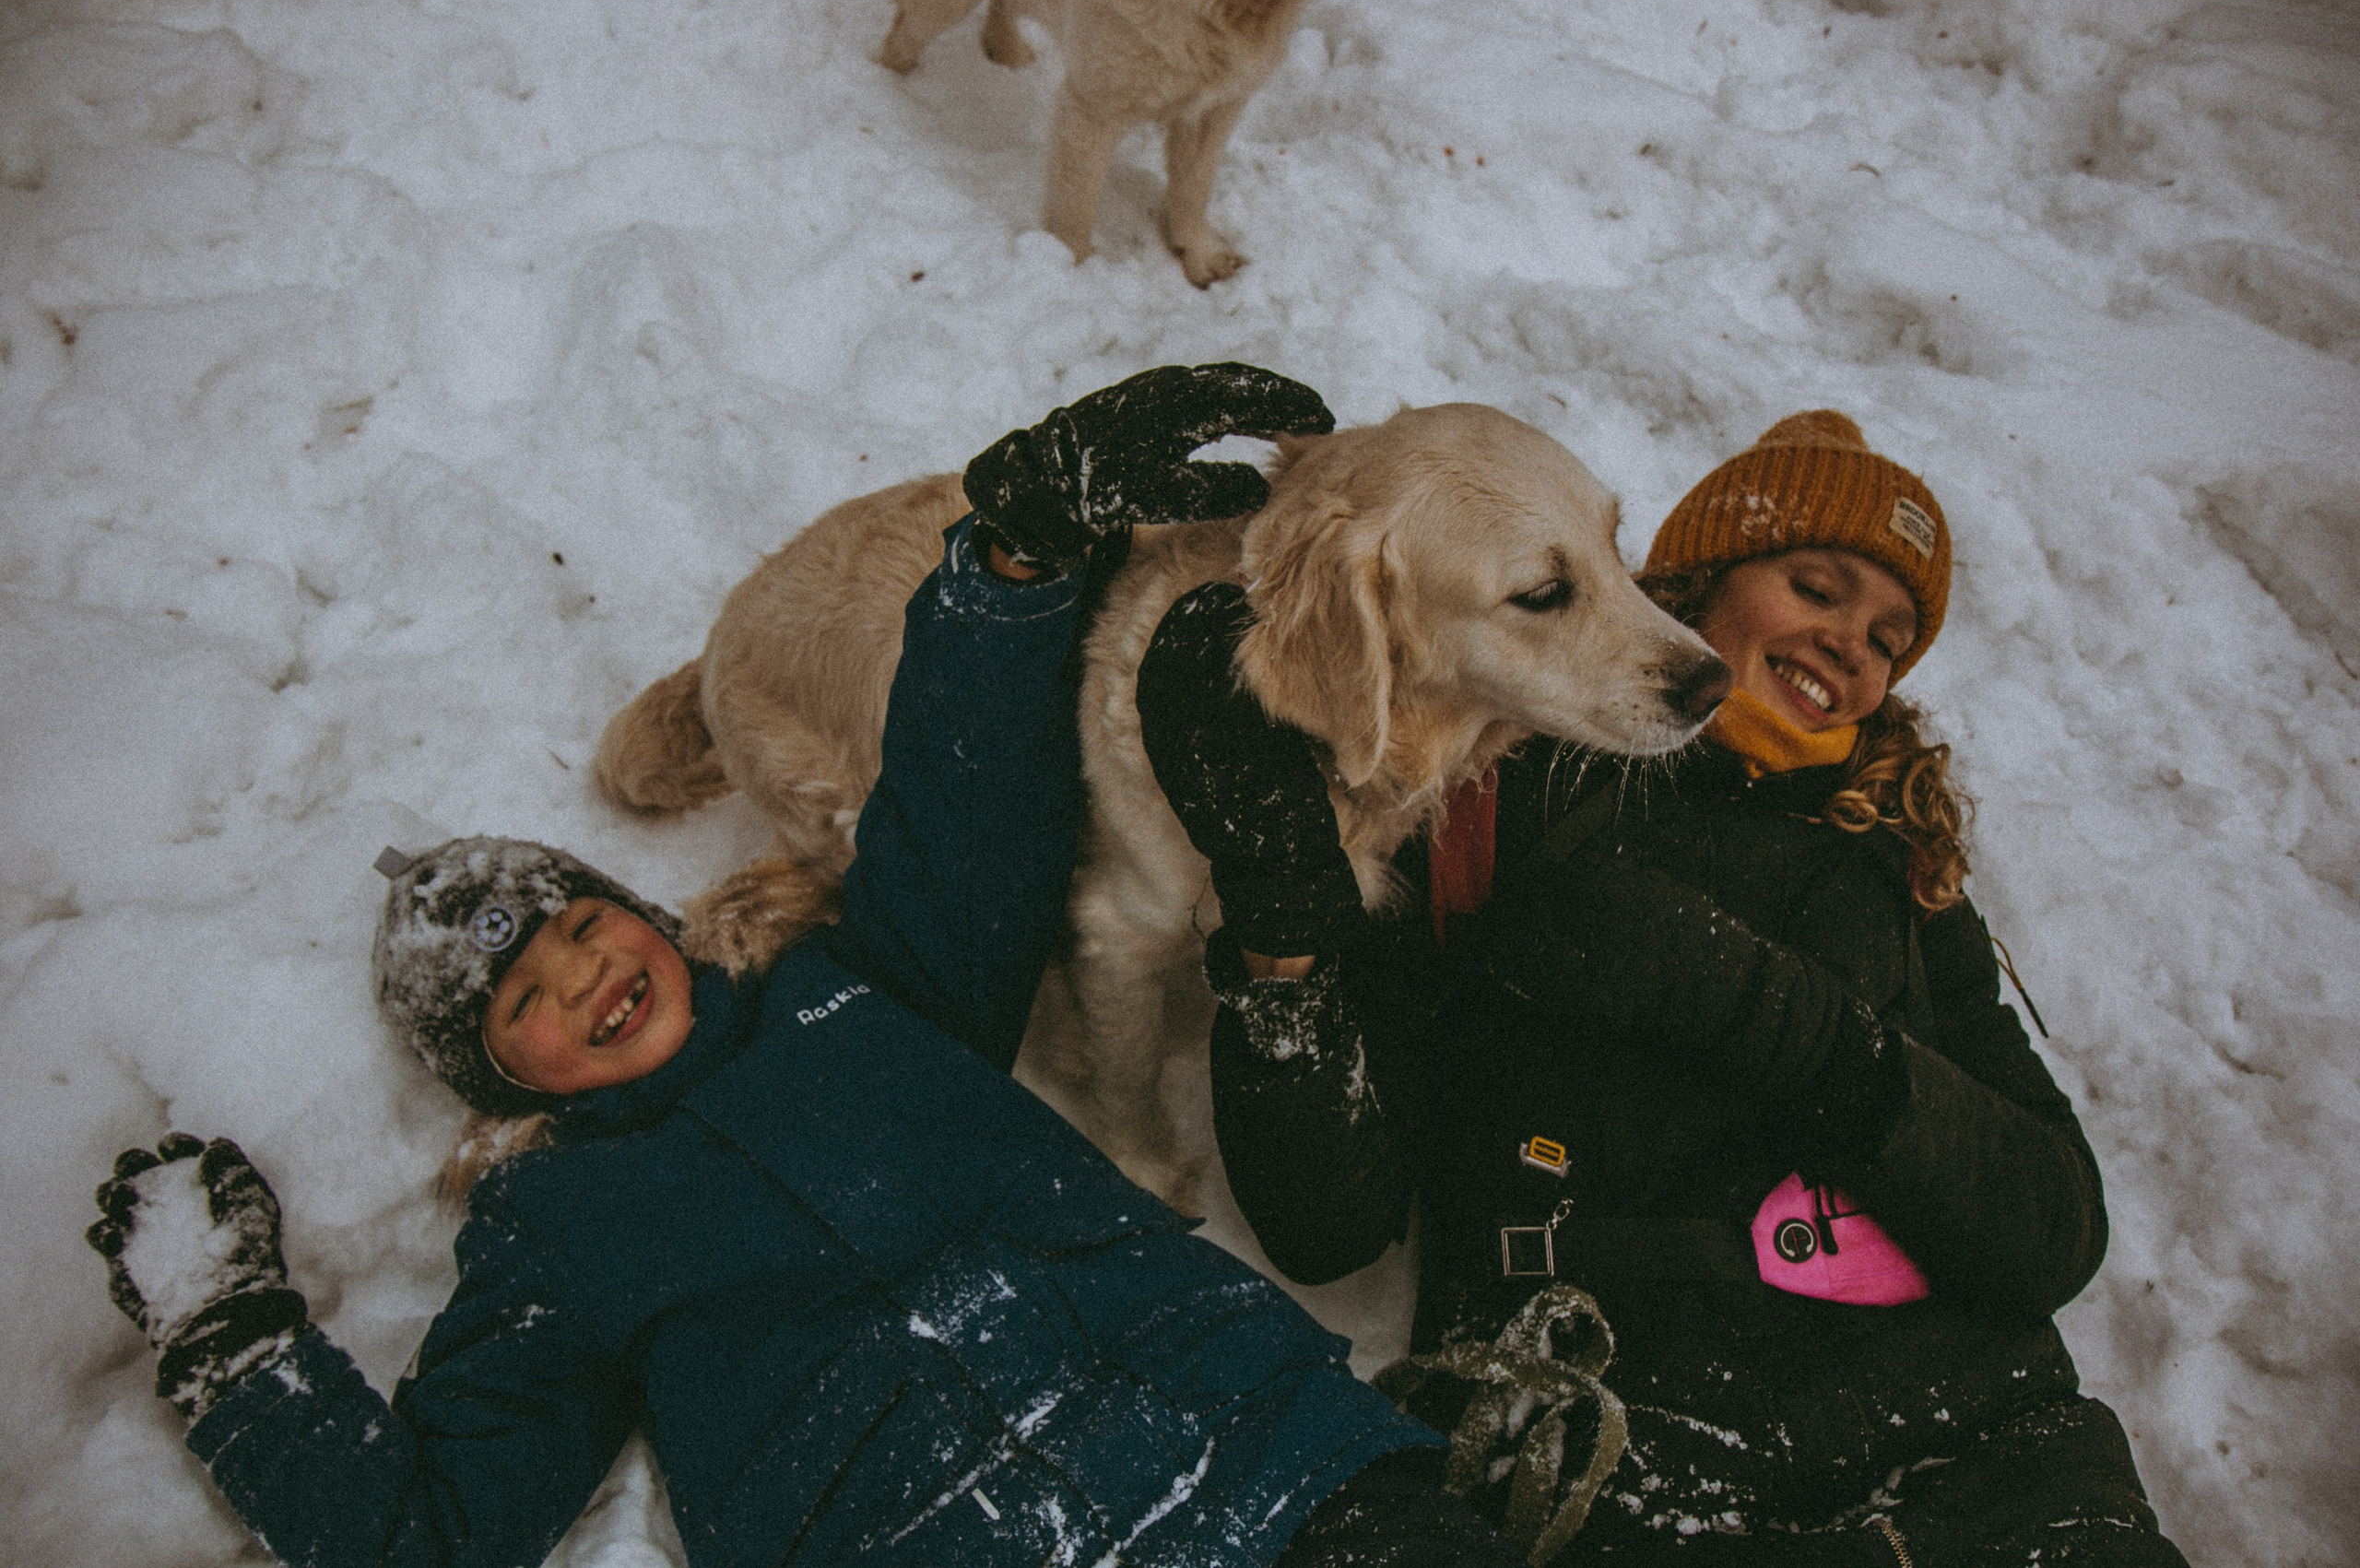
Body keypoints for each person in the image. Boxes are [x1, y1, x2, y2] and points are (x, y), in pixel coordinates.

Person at [82, 366, 1533, 1568]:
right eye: (522, 1001)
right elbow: (436, 1531)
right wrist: (229, 1331)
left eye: (582, 924)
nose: (579, 976)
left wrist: (1014, 555)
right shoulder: (554, 1234)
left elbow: (964, 799)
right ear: (501, 1080)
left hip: (1270, 1460)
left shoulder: (859, 991)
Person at [1136, 411, 2190, 1565]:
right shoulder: (1493, 787)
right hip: (1624, 1455)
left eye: (1888, 640)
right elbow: (1323, 1223)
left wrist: (1759, 1008)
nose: (1850, 645)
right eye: (1815, 589)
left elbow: (2052, 1231)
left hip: (1984, 1469)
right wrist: (1282, 946)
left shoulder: (1902, 873)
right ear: (1698, 578)